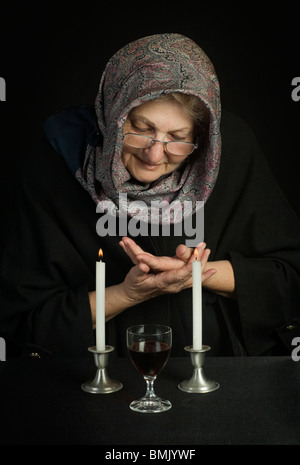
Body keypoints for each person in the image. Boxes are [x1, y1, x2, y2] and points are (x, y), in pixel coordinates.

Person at [0, 33, 299, 358]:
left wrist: (196, 275)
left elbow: (289, 280)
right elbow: (23, 321)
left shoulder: (231, 151)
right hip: (94, 377)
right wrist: (127, 294)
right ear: (113, 114)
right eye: (141, 129)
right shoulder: (56, 164)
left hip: (218, 374)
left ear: (202, 137)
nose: (155, 155)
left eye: (178, 138)